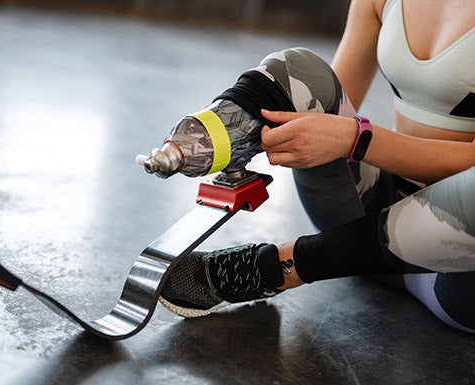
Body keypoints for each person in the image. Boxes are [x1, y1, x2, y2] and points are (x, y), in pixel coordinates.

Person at [158, 0, 475, 333]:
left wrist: (359, 140)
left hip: (458, 273)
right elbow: (325, 98)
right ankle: (195, 142)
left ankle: (274, 266)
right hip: (365, 218)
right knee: (297, 68)